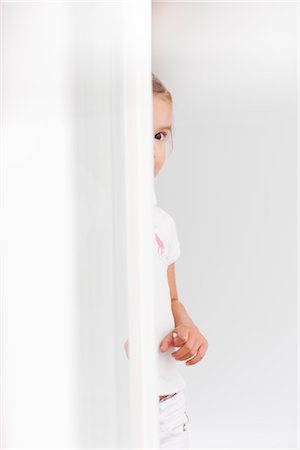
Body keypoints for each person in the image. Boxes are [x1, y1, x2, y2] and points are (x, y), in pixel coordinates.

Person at [124, 73, 209, 449]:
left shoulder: (161, 222)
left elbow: (171, 299)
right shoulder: (97, 223)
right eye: (140, 133)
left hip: (168, 404)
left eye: (159, 136)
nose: (153, 149)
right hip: (120, 400)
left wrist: (187, 327)